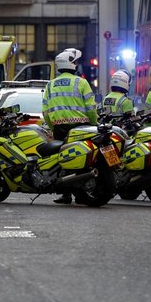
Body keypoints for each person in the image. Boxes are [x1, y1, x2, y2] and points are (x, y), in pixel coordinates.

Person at [41, 47, 97, 204]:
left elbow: (45, 111)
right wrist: (94, 124)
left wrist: (52, 127)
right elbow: (91, 108)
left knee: (62, 160)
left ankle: (66, 194)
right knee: (82, 159)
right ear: (71, 64)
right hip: (81, 128)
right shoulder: (81, 82)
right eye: (76, 62)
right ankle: (81, 193)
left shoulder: (50, 85)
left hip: (60, 128)